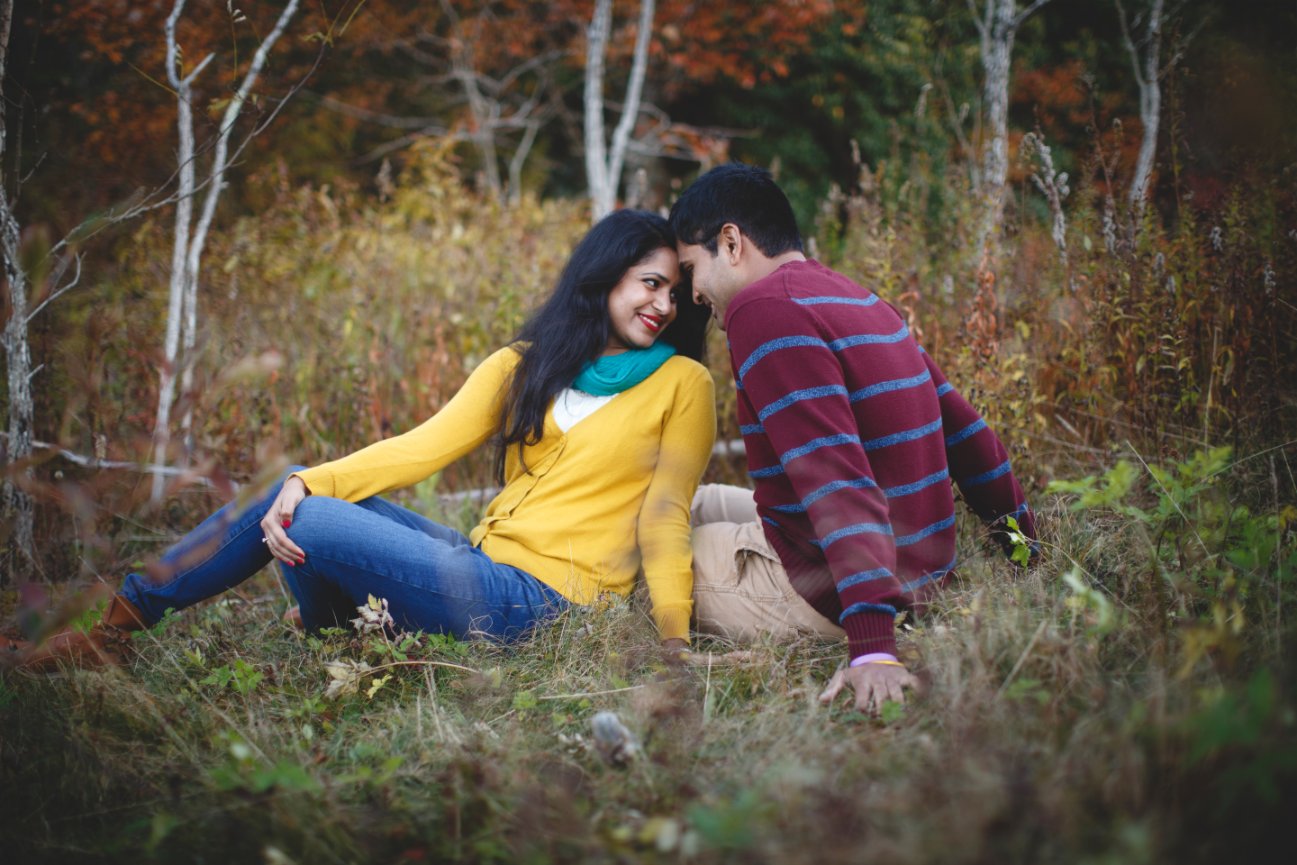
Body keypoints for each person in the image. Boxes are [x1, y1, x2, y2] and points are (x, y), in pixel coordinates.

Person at [8, 209, 715, 670]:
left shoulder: (683, 383)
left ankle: (125, 637)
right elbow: (419, 448)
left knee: (305, 514)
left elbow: (665, 513)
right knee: (287, 486)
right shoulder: (524, 365)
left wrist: (673, 641)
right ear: (602, 279)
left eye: (673, 293)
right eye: (649, 283)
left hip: (542, 601)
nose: (662, 305)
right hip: (475, 561)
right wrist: (307, 479)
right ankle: (122, 631)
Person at [668, 163, 1037, 715]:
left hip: (833, 593)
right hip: (909, 564)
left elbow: (836, 479)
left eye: (692, 269)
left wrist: (873, 648)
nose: (694, 294)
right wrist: (1026, 550)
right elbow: (966, 432)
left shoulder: (761, 311)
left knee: (644, 544)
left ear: (731, 242)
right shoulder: (855, 298)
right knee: (684, 504)